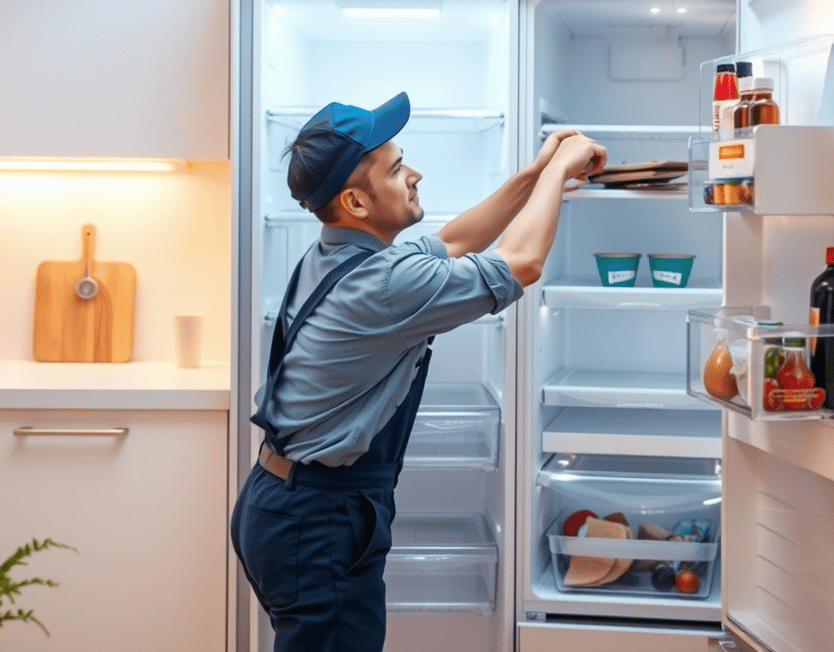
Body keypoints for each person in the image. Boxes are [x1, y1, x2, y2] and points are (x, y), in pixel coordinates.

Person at [229, 91, 606, 652]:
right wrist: (562, 174)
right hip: (318, 519)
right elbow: (520, 263)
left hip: (280, 504)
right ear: (356, 202)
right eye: (398, 167)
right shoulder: (384, 283)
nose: (415, 173)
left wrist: (537, 171)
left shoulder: (341, 254)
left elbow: (454, 241)